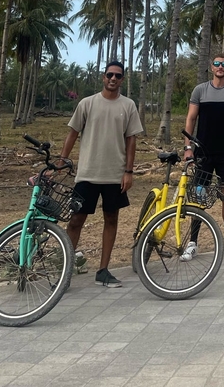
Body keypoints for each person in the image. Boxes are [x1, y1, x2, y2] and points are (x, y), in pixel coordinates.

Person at [59, 59, 143, 288]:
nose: (113, 79)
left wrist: (128, 171)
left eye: (117, 76)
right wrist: (62, 160)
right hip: (87, 173)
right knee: (75, 220)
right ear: (103, 77)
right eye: (109, 75)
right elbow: (73, 133)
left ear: (122, 80)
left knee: (111, 218)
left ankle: (103, 270)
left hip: (114, 175)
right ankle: (63, 273)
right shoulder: (87, 103)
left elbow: (131, 139)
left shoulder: (128, 106)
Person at [182, 54, 224, 260]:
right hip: (203, 153)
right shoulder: (200, 90)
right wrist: (188, 147)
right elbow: (191, 119)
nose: (220, 67)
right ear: (211, 67)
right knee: (199, 197)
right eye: (217, 64)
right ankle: (193, 243)